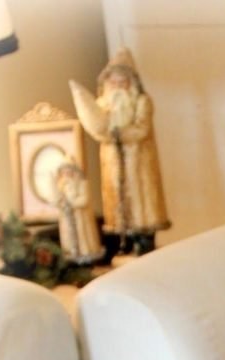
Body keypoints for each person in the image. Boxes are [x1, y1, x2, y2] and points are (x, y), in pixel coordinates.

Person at [69, 48, 170, 248]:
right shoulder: (103, 105)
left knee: (141, 203)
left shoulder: (141, 102)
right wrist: (108, 134)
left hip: (138, 161)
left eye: (122, 82)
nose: (117, 87)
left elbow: (141, 129)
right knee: (117, 200)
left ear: (131, 83)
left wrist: (117, 135)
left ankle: (144, 239)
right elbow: (98, 129)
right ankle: (126, 240)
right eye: (113, 83)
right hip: (113, 161)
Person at [53, 159, 105, 265]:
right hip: (67, 216)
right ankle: (70, 253)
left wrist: (71, 204)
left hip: (80, 216)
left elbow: (84, 200)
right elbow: (57, 198)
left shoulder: (82, 184)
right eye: (64, 172)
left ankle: (85, 253)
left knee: (83, 237)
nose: (67, 174)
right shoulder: (61, 185)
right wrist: (61, 203)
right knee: (68, 236)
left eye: (69, 171)